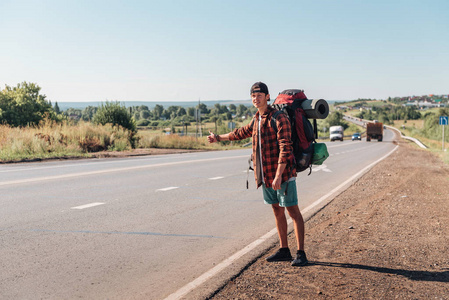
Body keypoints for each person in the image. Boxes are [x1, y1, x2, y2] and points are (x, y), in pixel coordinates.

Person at [207, 82, 308, 266]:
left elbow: (286, 147)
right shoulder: (257, 119)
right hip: (267, 174)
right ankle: (284, 249)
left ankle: (301, 253)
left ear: (267, 97)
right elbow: (239, 133)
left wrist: (279, 174)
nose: (256, 98)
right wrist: (218, 138)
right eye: (253, 96)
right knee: (277, 210)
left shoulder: (279, 118)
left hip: (283, 174)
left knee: (293, 211)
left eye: (259, 95)